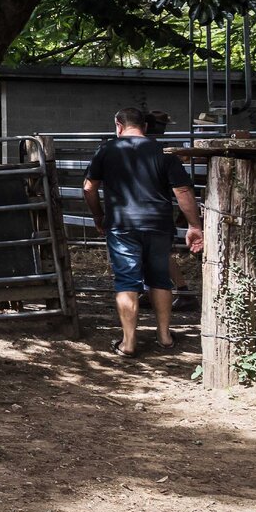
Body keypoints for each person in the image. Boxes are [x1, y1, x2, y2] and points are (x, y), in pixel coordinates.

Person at [83, 107, 205, 357]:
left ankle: (128, 343)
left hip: (122, 225)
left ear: (118, 125)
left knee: (127, 280)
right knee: (160, 278)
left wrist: (98, 215)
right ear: (146, 127)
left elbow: (88, 187)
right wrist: (194, 225)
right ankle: (165, 336)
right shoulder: (164, 151)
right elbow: (182, 191)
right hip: (159, 224)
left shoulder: (106, 150)